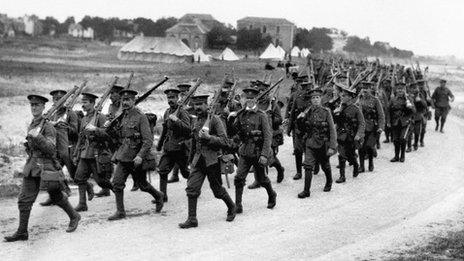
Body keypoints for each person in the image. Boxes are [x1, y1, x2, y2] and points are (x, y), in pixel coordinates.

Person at [4, 94, 80, 242]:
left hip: (46, 167)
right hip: (32, 166)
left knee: (56, 196)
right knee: (24, 200)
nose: (33, 108)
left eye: (37, 105)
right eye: (32, 105)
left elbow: (52, 149)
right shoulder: (33, 124)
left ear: (43, 107)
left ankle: (74, 216)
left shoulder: (49, 126)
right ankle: (22, 232)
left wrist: (38, 137)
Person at [179, 94, 236, 228]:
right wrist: (190, 160)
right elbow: (194, 142)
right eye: (195, 105)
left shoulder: (215, 120)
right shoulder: (195, 120)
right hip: (198, 160)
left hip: (212, 161)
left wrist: (209, 137)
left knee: (216, 190)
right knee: (191, 188)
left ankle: (231, 206)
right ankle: (192, 219)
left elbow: (225, 141)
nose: (197, 107)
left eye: (200, 104)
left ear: (207, 105)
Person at [106, 89, 164, 220]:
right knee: (117, 183)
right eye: (123, 100)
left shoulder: (140, 117)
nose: (125, 102)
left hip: (136, 157)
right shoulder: (122, 116)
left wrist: (140, 155)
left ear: (133, 100)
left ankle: (158, 196)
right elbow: (120, 136)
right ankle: (120, 212)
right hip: (124, 155)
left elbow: (148, 140)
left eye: (128, 100)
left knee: (143, 185)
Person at [231, 86, 277, 214]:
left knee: (262, 179)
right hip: (245, 151)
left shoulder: (261, 115)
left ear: (256, 99)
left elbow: (268, 136)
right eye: (247, 98)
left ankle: (272, 194)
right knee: (239, 178)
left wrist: (264, 154)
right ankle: (238, 205)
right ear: (244, 99)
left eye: (252, 98)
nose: (249, 100)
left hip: (258, 152)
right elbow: (237, 132)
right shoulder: (241, 114)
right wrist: (232, 119)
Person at [73, 93, 114, 212]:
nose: (83, 105)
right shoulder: (84, 119)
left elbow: (108, 135)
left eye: (85, 102)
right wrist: (76, 154)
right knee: (79, 177)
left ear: (92, 103)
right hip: (85, 153)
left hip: (97, 153)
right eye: (82, 102)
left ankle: (117, 191)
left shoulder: (101, 117)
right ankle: (82, 204)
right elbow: (80, 138)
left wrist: (95, 129)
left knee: (101, 181)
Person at [40, 89, 79, 206]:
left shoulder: (71, 113)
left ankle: (87, 187)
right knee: (52, 173)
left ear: (65, 100)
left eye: (60, 99)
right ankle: (57, 194)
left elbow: (75, 133)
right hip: (54, 147)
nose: (58, 101)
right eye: (56, 99)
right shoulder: (51, 113)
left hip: (68, 148)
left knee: (75, 174)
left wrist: (64, 126)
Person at [297, 88, 337, 198]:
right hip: (310, 143)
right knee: (308, 166)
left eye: (317, 98)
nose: (315, 100)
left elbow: (332, 130)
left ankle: (329, 182)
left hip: (322, 144)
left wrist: (332, 146)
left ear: (321, 99)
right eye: (313, 98)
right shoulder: (307, 111)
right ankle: (306, 191)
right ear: (310, 100)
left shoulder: (326, 111)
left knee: (325, 166)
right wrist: (300, 120)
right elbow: (302, 129)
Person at [157, 88, 191, 202]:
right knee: (162, 170)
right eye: (169, 98)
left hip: (180, 148)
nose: (170, 100)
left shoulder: (183, 112)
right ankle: (163, 196)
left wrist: (177, 121)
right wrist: (160, 144)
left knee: (185, 173)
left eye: (172, 98)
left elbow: (188, 130)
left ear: (178, 98)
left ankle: (194, 188)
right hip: (169, 147)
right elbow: (165, 130)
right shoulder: (167, 112)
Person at [333, 84, 365, 183]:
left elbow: (362, 123)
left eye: (344, 96)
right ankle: (342, 176)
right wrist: (336, 113)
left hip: (352, 136)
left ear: (350, 97)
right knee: (341, 155)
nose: (342, 98)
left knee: (351, 156)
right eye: (342, 96)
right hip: (341, 135)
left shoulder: (355, 109)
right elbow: (335, 122)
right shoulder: (339, 107)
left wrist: (358, 135)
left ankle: (355, 165)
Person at [287, 79, 312, 180]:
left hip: (310, 129)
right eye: (304, 88)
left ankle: (311, 167)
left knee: (310, 150)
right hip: (298, 129)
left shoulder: (313, 100)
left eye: (308, 89)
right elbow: (292, 114)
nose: (306, 91)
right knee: (298, 151)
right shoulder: (297, 99)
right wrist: (289, 128)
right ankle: (298, 172)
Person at [167, 84, 192, 183]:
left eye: (184, 92)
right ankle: (175, 175)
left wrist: (185, 108)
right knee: (177, 150)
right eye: (181, 93)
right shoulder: (177, 104)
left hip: (191, 130)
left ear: (189, 92)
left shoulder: (194, 101)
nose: (183, 95)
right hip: (179, 133)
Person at [357, 82, 385, 172]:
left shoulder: (375, 100)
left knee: (369, 146)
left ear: (371, 89)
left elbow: (381, 115)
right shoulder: (359, 100)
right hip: (361, 127)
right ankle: (361, 166)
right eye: (363, 89)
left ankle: (371, 162)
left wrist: (381, 127)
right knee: (361, 147)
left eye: (367, 89)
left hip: (373, 127)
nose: (365, 91)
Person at [387, 83, 415, 162]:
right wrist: (388, 121)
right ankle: (396, 156)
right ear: (396, 90)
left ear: (404, 90)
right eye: (399, 89)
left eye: (402, 89)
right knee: (395, 140)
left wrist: (410, 106)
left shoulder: (408, 98)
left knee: (403, 139)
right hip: (395, 122)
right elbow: (388, 111)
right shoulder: (393, 99)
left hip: (405, 122)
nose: (400, 91)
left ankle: (402, 156)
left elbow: (414, 111)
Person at [406, 82, 428, 152]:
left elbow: (425, 105)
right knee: (409, 133)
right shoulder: (407, 96)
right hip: (410, 117)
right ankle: (409, 147)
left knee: (417, 132)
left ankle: (415, 143)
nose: (413, 90)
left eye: (415, 88)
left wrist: (420, 101)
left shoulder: (420, 95)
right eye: (412, 88)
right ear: (410, 89)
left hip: (418, 117)